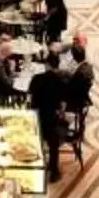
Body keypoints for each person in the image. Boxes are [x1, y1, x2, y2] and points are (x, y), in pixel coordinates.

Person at [25, 49, 73, 181]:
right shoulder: (60, 81)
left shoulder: (36, 79)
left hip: (36, 117)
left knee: (36, 142)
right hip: (51, 118)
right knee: (53, 144)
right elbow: (63, 102)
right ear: (57, 64)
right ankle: (54, 171)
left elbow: (29, 97)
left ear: (46, 65)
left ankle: (36, 167)